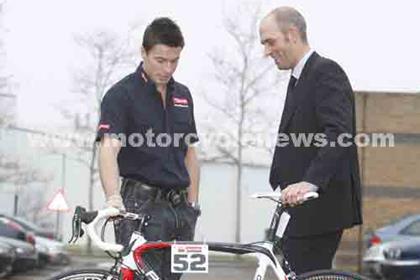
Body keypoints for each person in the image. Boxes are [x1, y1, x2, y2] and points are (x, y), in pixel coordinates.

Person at [259, 7, 362, 275]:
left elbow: (339, 133)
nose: (266, 51)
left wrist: (309, 182)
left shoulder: (325, 72)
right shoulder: (299, 78)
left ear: (292, 34)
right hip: (300, 211)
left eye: (271, 42)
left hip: (318, 211)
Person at [96, 17, 200, 280]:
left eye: (174, 60)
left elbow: (190, 153)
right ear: (143, 52)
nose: (168, 68)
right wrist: (112, 199)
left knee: (179, 278)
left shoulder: (184, 96)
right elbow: (109, 148)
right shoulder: (121, 95)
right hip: (141, 208)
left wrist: (193, 205)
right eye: (160, 60)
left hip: (182, 212)